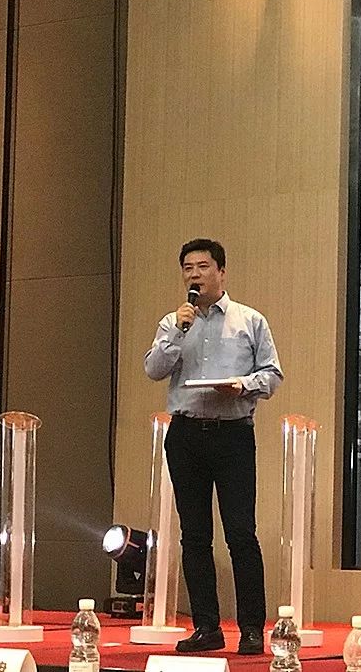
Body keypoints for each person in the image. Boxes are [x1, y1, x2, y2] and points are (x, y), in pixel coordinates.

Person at [144, 238, 283, 655]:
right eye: (188, 268)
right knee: (194, 536)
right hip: (185, 435)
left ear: (221, 272)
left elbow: (272, 375)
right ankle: (206, 627)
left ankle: (252, 629)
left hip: (232, 434)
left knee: (241, 533)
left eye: (203, 267)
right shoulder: (173, 322)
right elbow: (153, 369)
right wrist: (177, 332)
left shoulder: (250, 320)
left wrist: (243, 385)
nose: (194, 275)